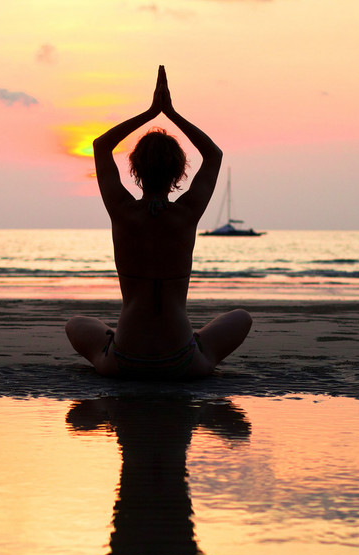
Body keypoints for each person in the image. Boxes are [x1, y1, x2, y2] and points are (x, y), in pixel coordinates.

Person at [65, 65, 251, 378]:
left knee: (75, 324)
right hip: (180, 361)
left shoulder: (123, 211)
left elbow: (100, 146)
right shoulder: (186, 213)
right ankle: (194, 344)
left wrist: (150, 113)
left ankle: (113, 344)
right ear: (179, 173)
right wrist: (171, 113)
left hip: (124, 361)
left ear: (135, 170)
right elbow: (214, 155)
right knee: (241, 317)